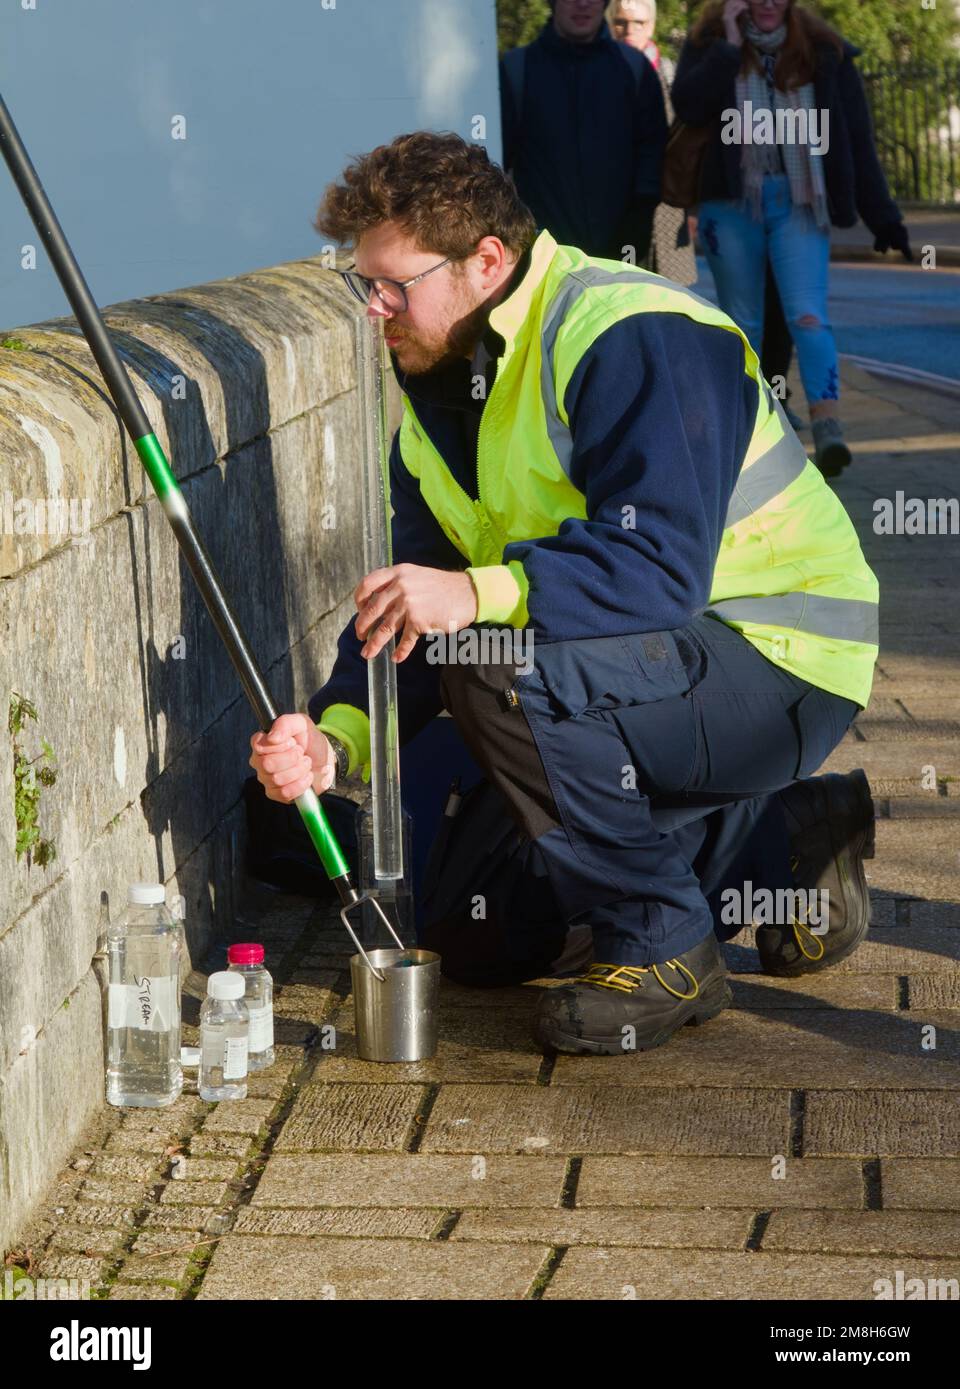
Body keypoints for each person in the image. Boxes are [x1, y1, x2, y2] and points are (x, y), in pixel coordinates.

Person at [248, 131, 879, 1056]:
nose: (374, 308)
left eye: (394, 284)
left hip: (779, 656)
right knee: (478, 934)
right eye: (362, 284)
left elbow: (659, 568)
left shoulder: (631, 333)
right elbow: (406, 614)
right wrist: (333, 739)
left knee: (498, 669)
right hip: (644, 669)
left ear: (487, 260)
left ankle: (666, 947)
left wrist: (477, 594)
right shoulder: (436, 391)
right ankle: (784, 838)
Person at [672, 0, 912, 477]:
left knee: (808, 316)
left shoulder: (825, 51)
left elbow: (856, 139)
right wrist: (728, 45)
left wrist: (884, 217)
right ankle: (751, 437)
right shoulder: (708, 46)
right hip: (730, 203)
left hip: (800, 202)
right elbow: (688, 106)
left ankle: (829, 430)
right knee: (744, 323)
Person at [500, 0, 667, 263]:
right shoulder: (516, 69)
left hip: (624, 249)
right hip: (543, 250)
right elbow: (498, 162)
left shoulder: (634, 68)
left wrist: (638, 223)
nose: (583, 4)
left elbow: (653, 151)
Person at [607, 0, 697, 285]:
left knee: (671, 298)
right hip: (616, 208)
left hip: (669, 207)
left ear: (653, 26)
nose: (629, 30)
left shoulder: (673, 75)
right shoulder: (600, 74)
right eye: (621, 22)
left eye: (639, 23)